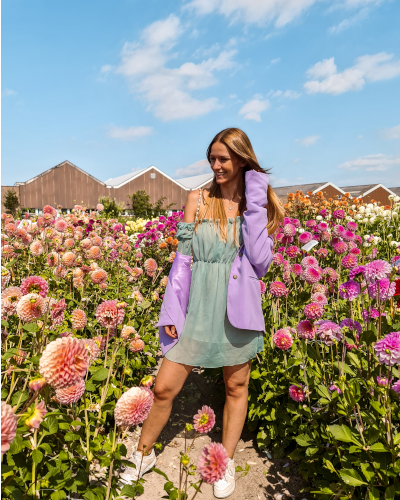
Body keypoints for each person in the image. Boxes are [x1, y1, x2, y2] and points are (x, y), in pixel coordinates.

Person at [120, 128, 284, 498]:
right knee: (163, 388)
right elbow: (182, 261)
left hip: (236, 308)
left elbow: (261, 263)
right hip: (196, 307)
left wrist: (255, 200)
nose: (216, 165)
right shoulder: (197, 198)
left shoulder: (253, 205)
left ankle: (223, 463)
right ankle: (142, 455)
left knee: (235, 386)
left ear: (242, 159)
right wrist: (172, 311)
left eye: (224, 158)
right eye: (212, 158)